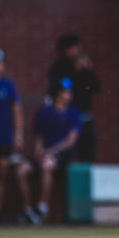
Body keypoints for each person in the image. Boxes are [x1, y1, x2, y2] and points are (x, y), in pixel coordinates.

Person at [0, 49, 40, 226]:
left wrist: (18, 134)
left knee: (1, 174)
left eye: (0, 63)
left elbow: (16, 110)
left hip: (4, 137)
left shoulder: (7, 85)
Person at [33, 77, 81, 221]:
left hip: (63, 154)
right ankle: (29, 210)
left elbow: (70, 141)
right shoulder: (44, 112)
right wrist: (38, 151)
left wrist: (50, 151)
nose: (68, 94)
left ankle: (43, 207)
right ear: (57, 94)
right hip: (45, 153)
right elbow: (38, 138)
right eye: (65, 92)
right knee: (22, 170)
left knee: (47, 164)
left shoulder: (73, 112)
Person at [48, 34, 100, 161]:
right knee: (67, 153)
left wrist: (88, 70)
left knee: (87, 150)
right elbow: (58, 88)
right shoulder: (58, 67)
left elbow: (96, 87)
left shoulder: (84, 66)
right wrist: (74, 71)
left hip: (84, 115)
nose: (76, 51)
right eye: (73, 48)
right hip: (66, 116)